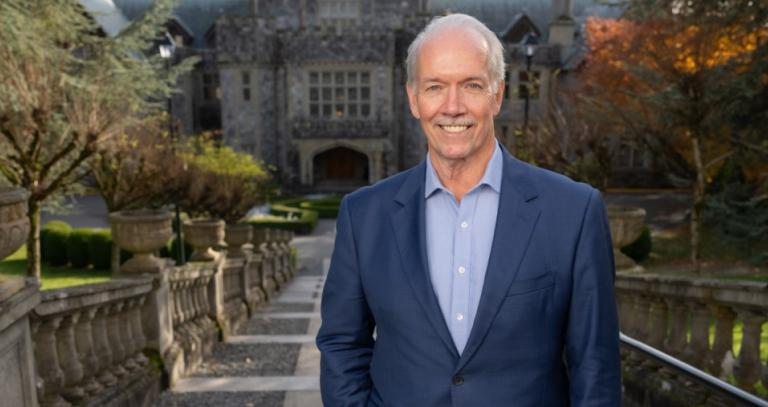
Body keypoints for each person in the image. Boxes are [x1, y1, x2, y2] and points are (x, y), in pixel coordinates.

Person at [316, 13, 621, 406]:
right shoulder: (363, 216)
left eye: (471, 85)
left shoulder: (573, 212)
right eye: (435, 87)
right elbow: (342, 344)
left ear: (497, 95)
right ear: (413, 99)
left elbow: (595, 366)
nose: (452, 106)